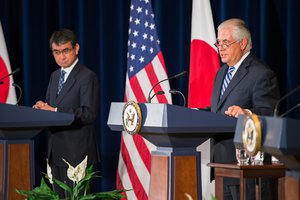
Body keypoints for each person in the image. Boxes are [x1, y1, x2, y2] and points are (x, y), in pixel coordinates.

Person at [210, 18, 280, 199]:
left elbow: (270, 115)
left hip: (248, 172)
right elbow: (218, 111)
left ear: (243, 43)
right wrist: (195, 113)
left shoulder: (261, 74)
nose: (221, 47)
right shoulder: (221, 72)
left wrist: (247, 114)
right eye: (219, 42)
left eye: (226, 42)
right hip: (223, 168)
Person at [33, 28, 99, 197]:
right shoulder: (55, 76)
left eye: (65, 51)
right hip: (55, 151)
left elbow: (88, 113)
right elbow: (53, 108)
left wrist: (54, 110)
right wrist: (42, 109)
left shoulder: (87, 76)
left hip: (77, 154)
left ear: (76, 48)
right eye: (56, 52)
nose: (61, 57)